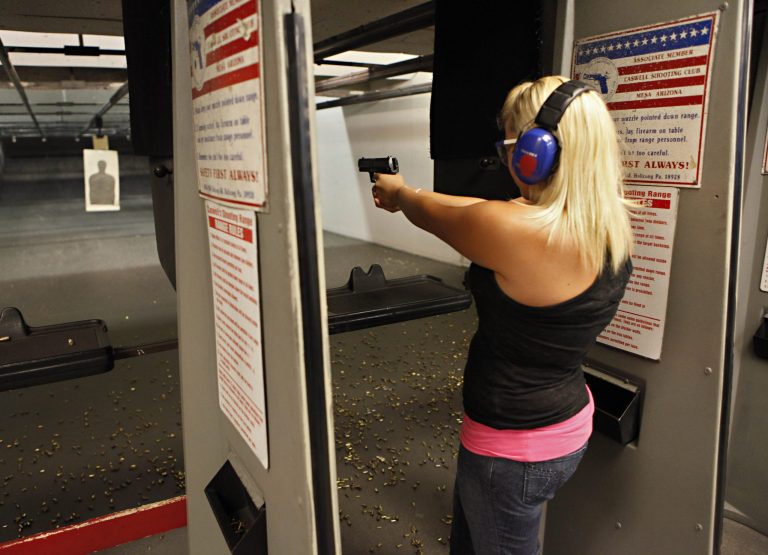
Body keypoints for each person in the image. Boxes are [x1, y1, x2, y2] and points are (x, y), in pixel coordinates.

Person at [371, 75, 634, 554]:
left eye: (511, 144)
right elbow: (480, 210)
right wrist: (407, 193)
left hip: (509, 452)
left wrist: (399, 193)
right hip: (565, 422)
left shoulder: (513, 231)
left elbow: (435, 210)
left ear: (538, 152)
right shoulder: (606, 224)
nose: (508, 157)